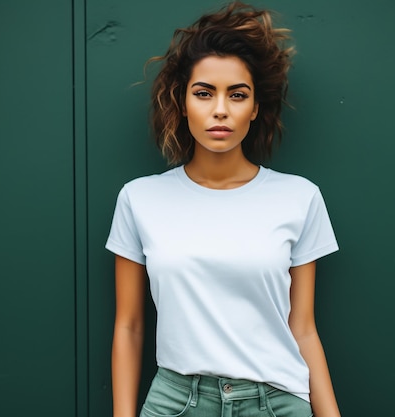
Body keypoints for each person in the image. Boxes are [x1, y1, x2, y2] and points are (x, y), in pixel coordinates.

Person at [106, 2, 341, 416]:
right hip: (176, 402)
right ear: (182, 103)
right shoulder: (139, 199)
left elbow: (303, 328)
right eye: (203, 93)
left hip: (276, 402)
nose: (220, 109)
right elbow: (129, 326)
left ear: (254, 108)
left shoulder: (299, 197)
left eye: (237, 95)